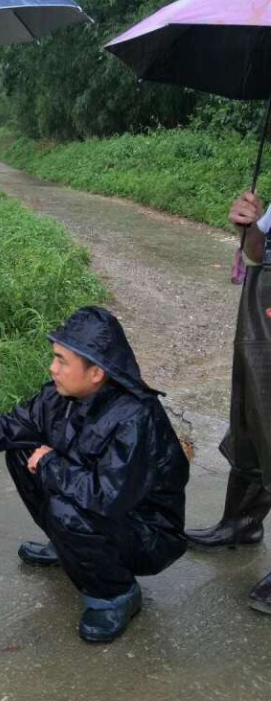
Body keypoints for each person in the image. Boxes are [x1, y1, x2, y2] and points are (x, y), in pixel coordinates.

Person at [0, 306, 189, 643]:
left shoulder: (135, 419)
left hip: (148, 534)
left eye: (62, 361)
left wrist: (51, 463)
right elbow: (5, 428)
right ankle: (71, 549)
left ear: (97, 372)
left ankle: (115, 594)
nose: (52, 368)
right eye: (55, 357)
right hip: (105, 514)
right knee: (21, 450)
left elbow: (107, 497)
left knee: (66, 508)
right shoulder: (59, 397)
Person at [186, 190, 271, 613]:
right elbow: (257, 253)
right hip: (263, 303)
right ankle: (242, 521)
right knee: (253, 419)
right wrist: (250, 226)